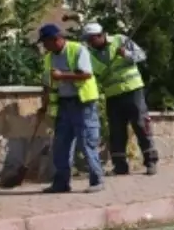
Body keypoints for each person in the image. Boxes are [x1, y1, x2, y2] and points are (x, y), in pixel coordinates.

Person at [36, 23, 105, 194]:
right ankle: (61, 183)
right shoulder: (49, 57)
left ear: (56, 39)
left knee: (86, 142)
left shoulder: (78, 50)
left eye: (45, 42)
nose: (44, 46)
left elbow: (87, 74)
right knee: (61, 145)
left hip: (83, 104)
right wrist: (43, 106)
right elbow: (47, 83)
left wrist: (62, 76)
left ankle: (97, 180)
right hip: (64, 104)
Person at [83, 22, 159, 176]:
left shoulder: (120, 40)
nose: (90, 43)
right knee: (116, 131)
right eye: (88, 40)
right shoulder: (90, 55)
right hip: (112, 95)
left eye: (92, 39)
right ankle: (120, 166)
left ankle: (151, 161)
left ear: (101, 35)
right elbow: (96, 77)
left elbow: (142, 55)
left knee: (140, 125)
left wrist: (127, 55)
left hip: (133, 90)